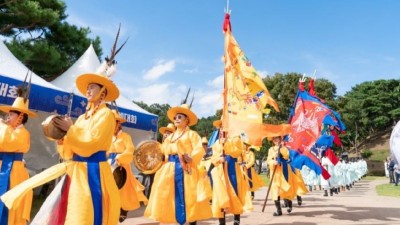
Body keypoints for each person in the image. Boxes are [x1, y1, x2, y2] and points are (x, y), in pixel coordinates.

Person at [1, 61, 122, 225]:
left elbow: (92, 143)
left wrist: (70, 130)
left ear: (102, 91)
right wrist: (62, 139)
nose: (88, 90)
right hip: (77, 171)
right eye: (87, 87)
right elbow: (70, 151)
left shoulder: (106, 115)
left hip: (93, 172)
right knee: (70, 212)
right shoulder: (81, 117)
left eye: (92, 87)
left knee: (85, 213)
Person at [144, 102, 212, 225]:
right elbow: (163, 152)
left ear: (187, 119)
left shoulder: (192, 134)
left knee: (189, 197)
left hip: (186, 169)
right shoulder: (170, 137)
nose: (176, 119)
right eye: (175, 117)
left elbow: (199, 149)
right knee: (168, 197)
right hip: (169, 169)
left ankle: (191, 221)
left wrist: (191, 157)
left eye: (179, 117)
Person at [0, 83, 37, 225]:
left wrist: (2, 125)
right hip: (4, 167)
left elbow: (6, 143)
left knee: (9, 203)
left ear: (20, 117)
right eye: (7, 114)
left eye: (11, 114)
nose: (7, 117)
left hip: (13, 171)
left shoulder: (23, 133)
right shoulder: (7, 129)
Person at [208, 119, 253, 225]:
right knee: (221, 195)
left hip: (233, 170)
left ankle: (236, 219)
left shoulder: (236, 139)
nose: (223, 128)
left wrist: (226, 143)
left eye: (225, 126)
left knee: (235, 193)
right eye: (221, 127)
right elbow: (213, 158)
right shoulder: (216, 143)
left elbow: (238, 152)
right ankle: (222, 222)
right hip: (220, 173)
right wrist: (219, 159)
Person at [108, 109, 148, 222]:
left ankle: (123, 209)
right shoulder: (108, 137)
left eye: (113, 122)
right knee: (108, 188)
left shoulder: (126, 137)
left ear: (118, 123)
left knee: (123, 189)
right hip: (108, 164)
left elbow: (130, 151)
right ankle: (112, 210)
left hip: (122, 166)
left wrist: (119, 158)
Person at [266, 136, 297, 216]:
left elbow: (286, 156)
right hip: (275, 173)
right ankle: (278, 210)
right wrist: (273, 162)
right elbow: (268, 160)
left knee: (286, 188)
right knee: (276, 191)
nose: (276, 140)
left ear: (280, 139)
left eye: (277, 139)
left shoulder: (284, 148)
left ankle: (289, 204)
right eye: (274, 139)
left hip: (284, 171)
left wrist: (281, 149)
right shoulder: (270, 149)